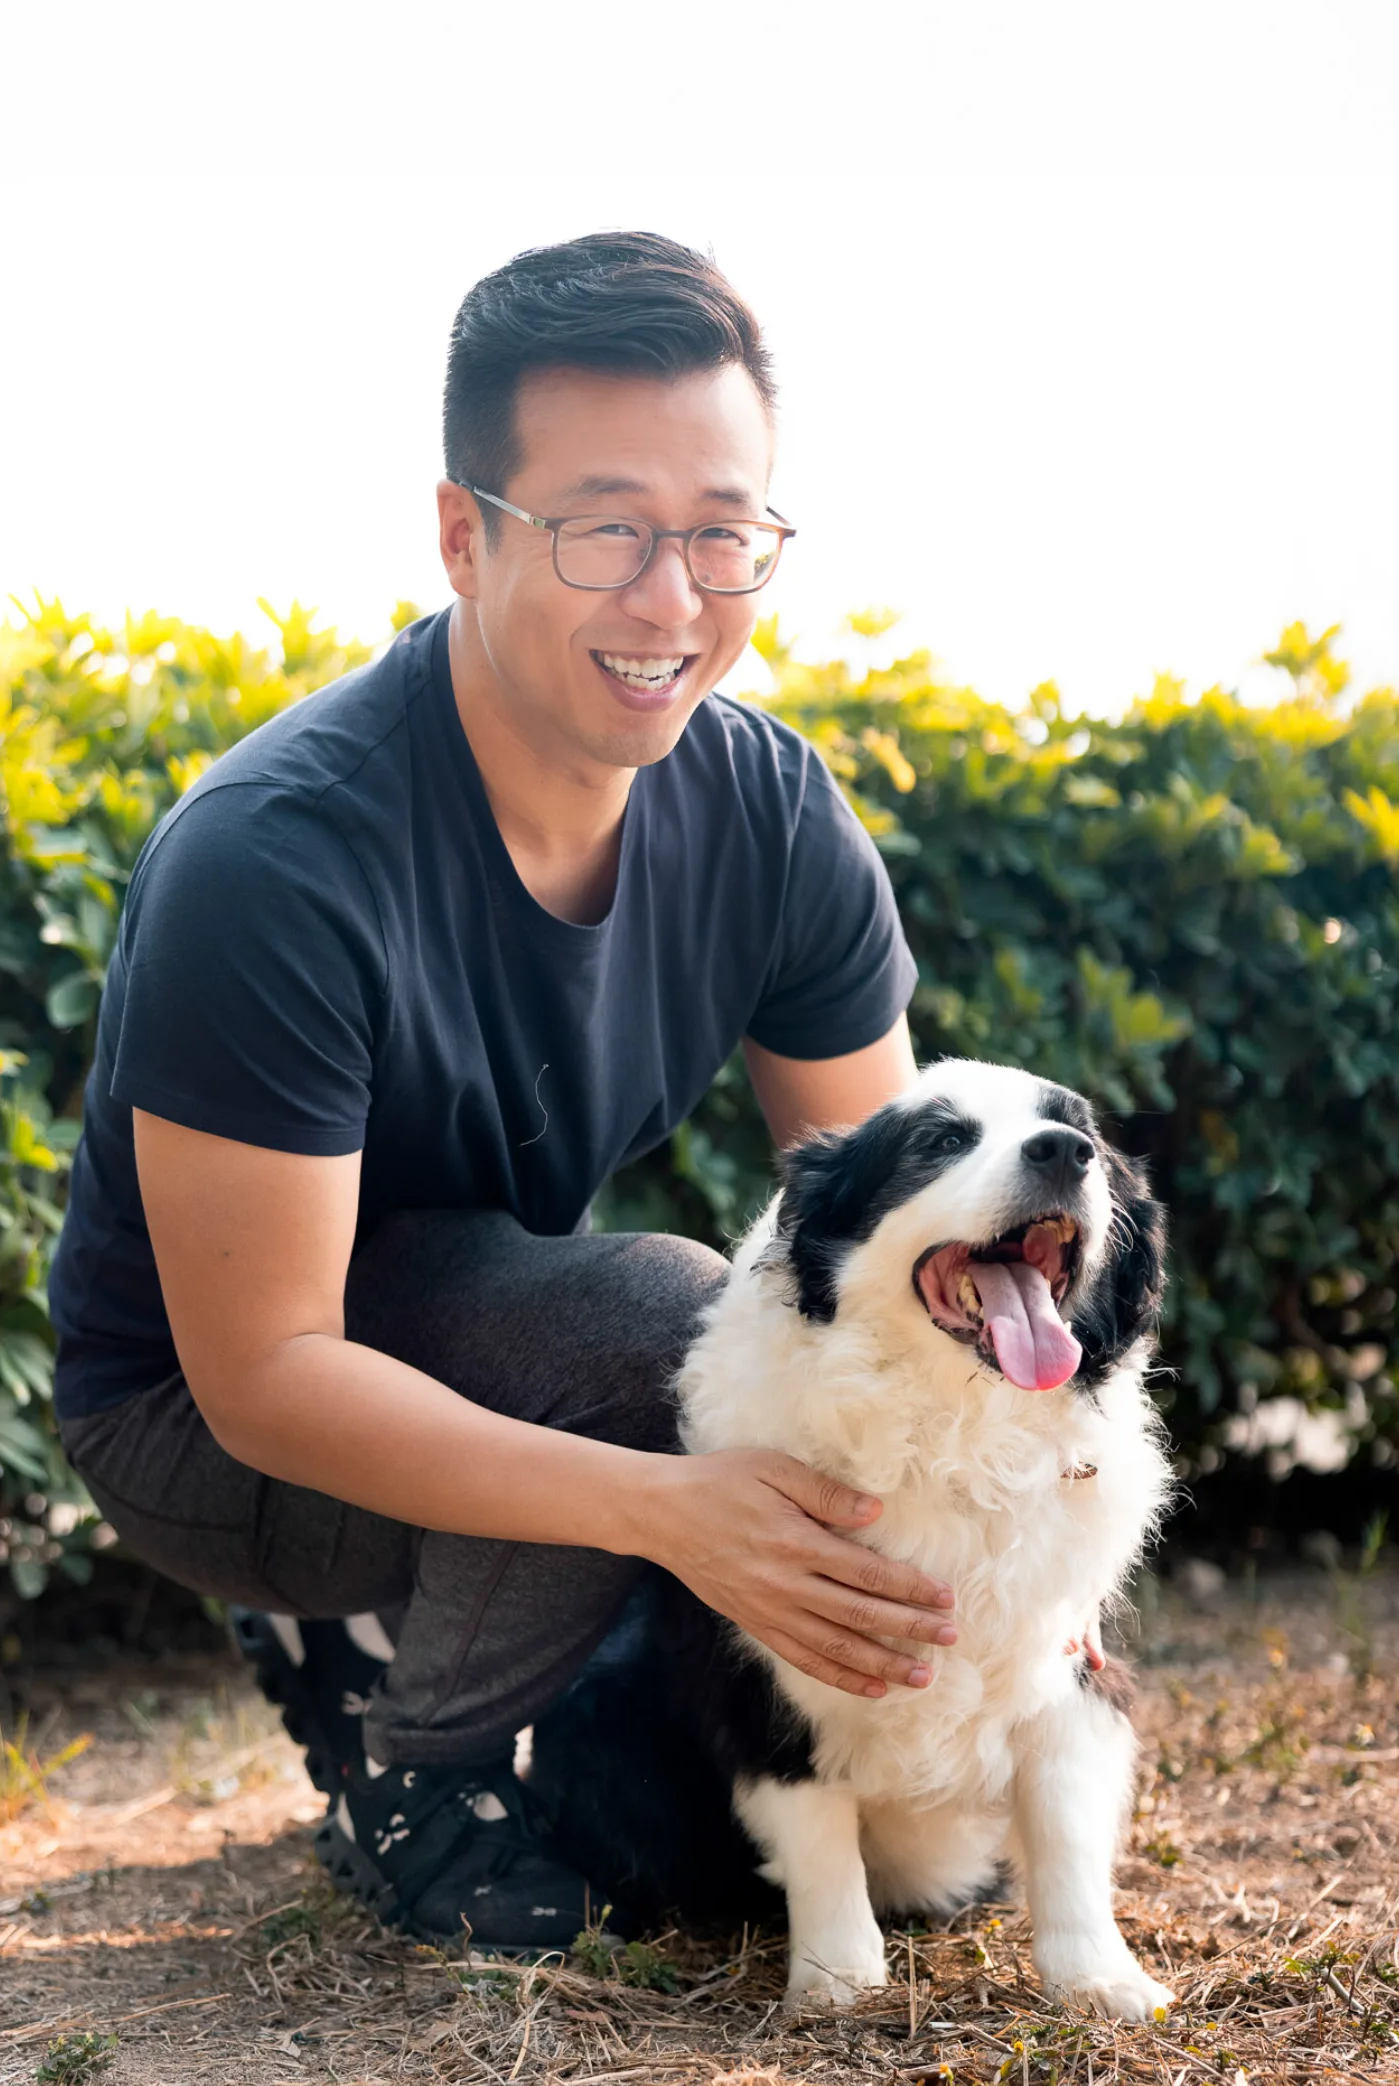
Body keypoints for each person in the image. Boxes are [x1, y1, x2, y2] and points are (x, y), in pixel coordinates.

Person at [49, 231, 962, 1950]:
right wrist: (668, 1510)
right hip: (205, 1421)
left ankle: (414, 1629)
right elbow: (262, 1378)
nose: (674, 597)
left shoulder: (770, 814)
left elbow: (886, 1256)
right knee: (658, 1314)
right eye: (609, 527)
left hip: (475, 1341)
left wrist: (1002, 1553)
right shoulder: (280, 855)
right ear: (463, 532)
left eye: (722, 531)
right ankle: (421, 1765)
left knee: (703, 1765)